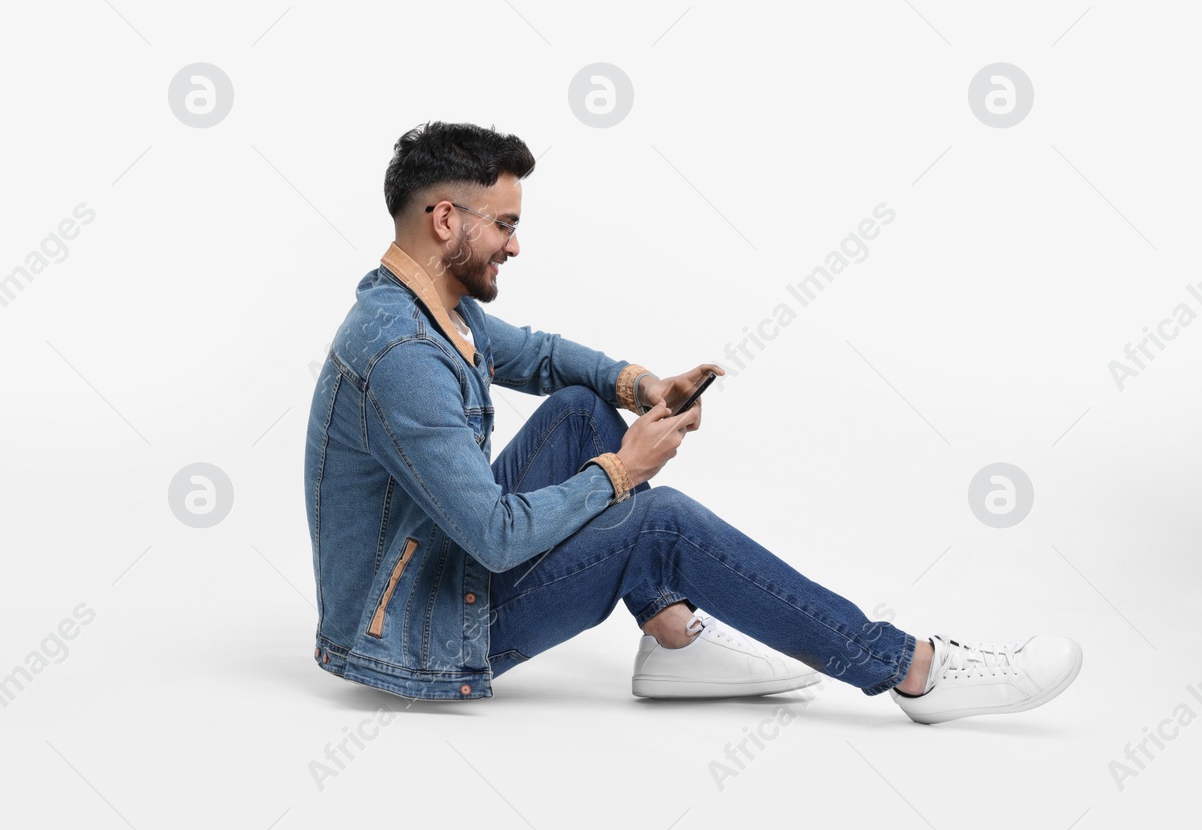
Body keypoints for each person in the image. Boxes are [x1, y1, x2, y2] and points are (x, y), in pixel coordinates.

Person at [303, 121, 1082, 724]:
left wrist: (638, 384)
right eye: (503, 223)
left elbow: (538, 357)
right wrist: (623, 471)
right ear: (446, 219)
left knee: (579, 409)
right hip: (419, 634)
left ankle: (670, 633)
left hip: (426, 572)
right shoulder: (401, 353)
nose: (515, 243)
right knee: (660, 521)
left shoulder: (427, 302)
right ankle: (914, 669)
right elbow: (496, 536)